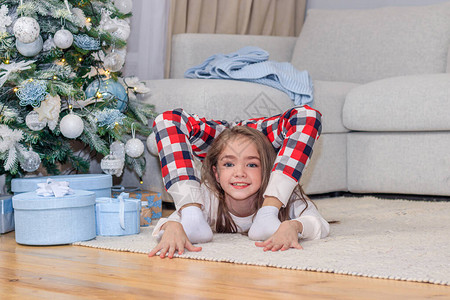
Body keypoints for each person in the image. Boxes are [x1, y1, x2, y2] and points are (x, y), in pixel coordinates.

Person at [152, 105, 322, 245]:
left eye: (252, 164)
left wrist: (294, 226)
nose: (240, 173)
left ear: (270, 171)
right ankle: (192, 216)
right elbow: (164, 226)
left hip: (263, 138)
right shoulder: (207, 194)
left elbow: (317, 224)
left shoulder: (289, 195)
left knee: (307, 116)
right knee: (168, 120)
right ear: (216, 174)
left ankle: (268, 211)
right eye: (228, 164)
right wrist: (173, 226)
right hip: (216, 138)